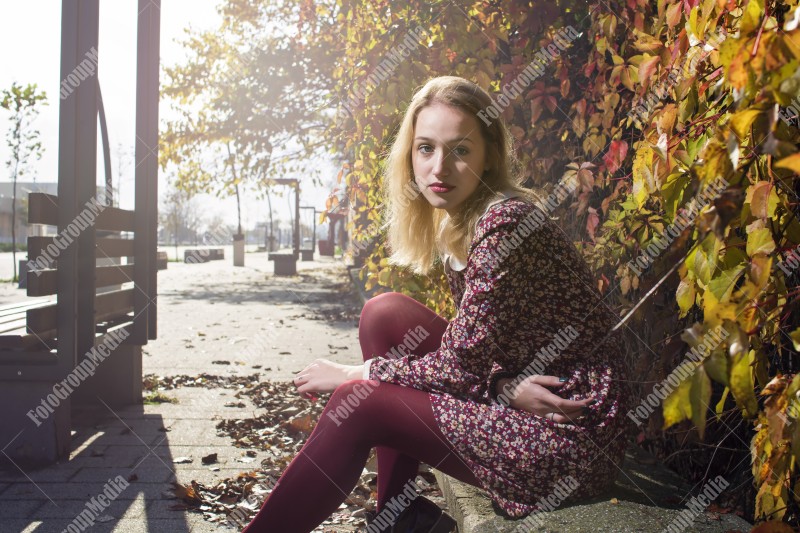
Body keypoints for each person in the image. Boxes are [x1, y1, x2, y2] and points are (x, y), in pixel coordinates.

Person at [241, 76, 631, 532]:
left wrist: (353, 373)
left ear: (489, 156)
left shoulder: (505, 224)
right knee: (384, 313)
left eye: (460, 150)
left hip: (569, 431)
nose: (439, 167)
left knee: (359, 401)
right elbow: (481, 350)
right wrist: (504, 385)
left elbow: (462, 367)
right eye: (426, 148)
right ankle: (397, 515)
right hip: (532, 389)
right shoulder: (465, 220)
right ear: (410, 154)